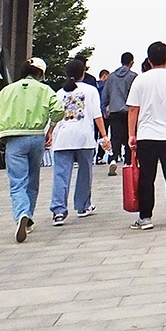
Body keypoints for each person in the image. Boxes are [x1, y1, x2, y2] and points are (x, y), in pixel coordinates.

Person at [0, 57, 64, 242]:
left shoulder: (7, 91)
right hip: (36, 136)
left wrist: (2, 127)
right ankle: (28, 215)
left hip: (14, 138)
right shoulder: (44, 89)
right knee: (32, 180)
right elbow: (59, 110)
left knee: (17, 181)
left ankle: (22, 214)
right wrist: (51, 128)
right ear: (40, 74)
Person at [127, 41, 166, 230]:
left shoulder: (140, 80)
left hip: (146, 136)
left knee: (147, 177)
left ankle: (145, 217)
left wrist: (132, 134)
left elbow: (133, 110)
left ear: (148, 60)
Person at [49, 59, 110, 225]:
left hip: (63, 138)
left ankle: (58, 211)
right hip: (84, 138)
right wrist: (104, 136)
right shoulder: (90, 91)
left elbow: (54, 116)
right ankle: (83, 206)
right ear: (83, 73)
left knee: (61, 175)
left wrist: (49, 134)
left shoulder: (59, 93)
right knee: (85, 173)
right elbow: (97, 115)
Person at [102, 52, 137, 176]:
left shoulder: (111, 77)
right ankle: (128, 162)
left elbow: (105, 94)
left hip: (114, 111)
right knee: (130, 136)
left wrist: (104, 109)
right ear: (131, 62)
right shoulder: (133, 76)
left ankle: (113, 159)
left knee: (115, 137)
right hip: (129, 111)